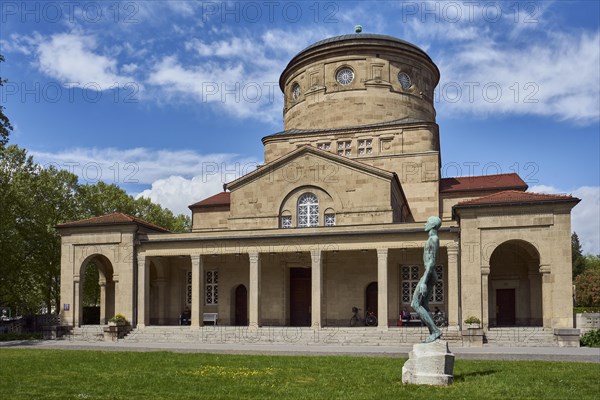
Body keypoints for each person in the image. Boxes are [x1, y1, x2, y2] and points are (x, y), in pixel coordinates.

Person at [410, 216, 443, 343]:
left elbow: (431, 262)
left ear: (433, 225)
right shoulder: (432, 239)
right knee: (423, 305)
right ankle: (433, 333)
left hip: (429, 274)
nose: (425, 224)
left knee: (415, 304)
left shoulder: (433, 239)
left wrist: (424, 281)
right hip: (430, 274)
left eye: (428, 222)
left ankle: (435, 331)